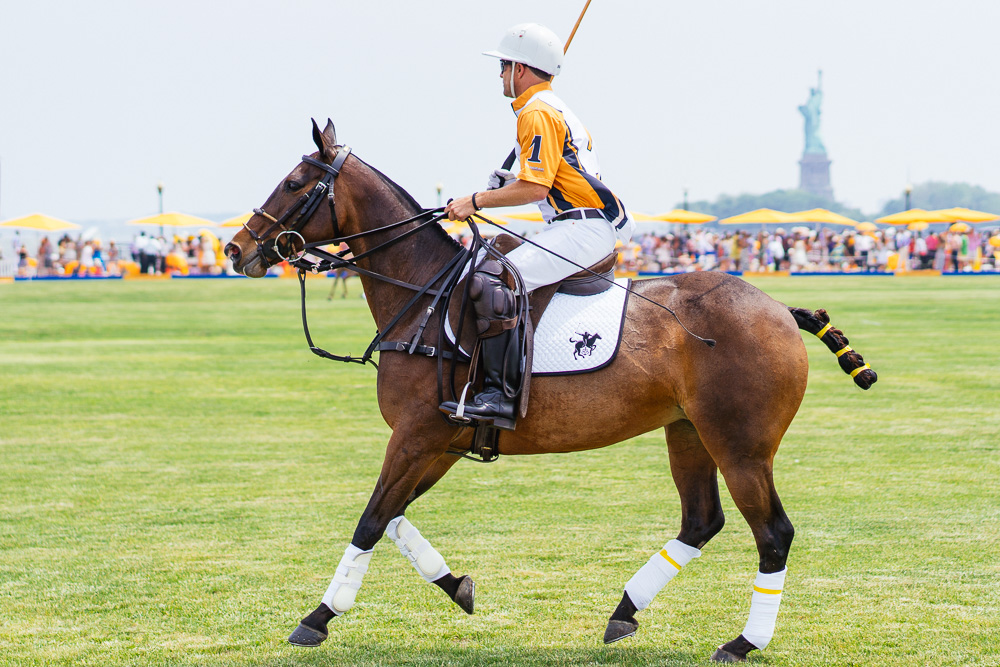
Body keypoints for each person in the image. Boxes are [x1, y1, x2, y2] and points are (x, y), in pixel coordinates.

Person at [439, 22, 634, 429]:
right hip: (577, 223)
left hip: (582, 228)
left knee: (496, 282)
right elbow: (551, 180)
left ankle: (497, 396)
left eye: (505, 65)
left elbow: (535, 187)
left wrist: (475, 200)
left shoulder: (537, 112)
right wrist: (506, 183)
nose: (500, 74)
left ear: (522, 70)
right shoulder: (548, 108)